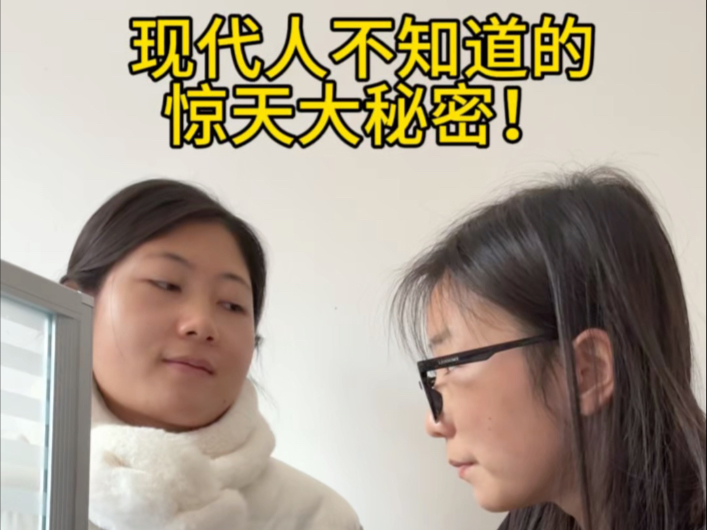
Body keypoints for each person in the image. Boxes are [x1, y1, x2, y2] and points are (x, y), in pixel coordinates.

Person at [3, 179, 362, 530]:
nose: (202, 324)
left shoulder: (318, 519)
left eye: (232, 304)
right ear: (79, 303)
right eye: (166, 284)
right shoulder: (12, 495)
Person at [391, 167, 706, 530]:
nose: (434, 423)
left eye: (454, 364)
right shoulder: (537, 518)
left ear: (586, 371)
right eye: (435, 374)